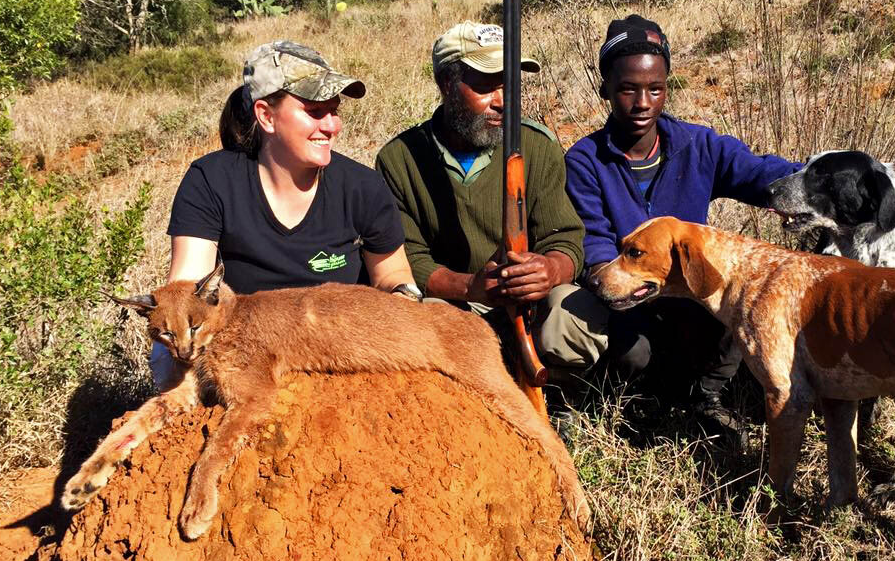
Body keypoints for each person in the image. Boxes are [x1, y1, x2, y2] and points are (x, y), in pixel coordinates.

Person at [558, 15, 802, 439]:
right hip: (629, 295)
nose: (642, 103)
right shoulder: (585, 161)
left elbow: (761, 175)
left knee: (739, 304)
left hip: (688, 290)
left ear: (667, 88)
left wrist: (822, 183)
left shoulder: (698, 144)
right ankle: (638, 402)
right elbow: (595, 247)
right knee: (634, 353)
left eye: (655, 89)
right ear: (606, 91)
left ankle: (706, 395)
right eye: (627, 89)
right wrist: (627, 286)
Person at [155, 40, 419, 386]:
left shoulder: (363, 187)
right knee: (163, 359)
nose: (331, 126)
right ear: (266, 115)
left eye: (334, 110)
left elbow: (391, 273)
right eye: (314, 112)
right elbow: (187, 288)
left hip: (337, 350)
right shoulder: (211, 180)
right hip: (244, 351)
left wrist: (403, 298)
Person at [374, 21, 586, 354]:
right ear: (447, 84)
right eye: (486, 87)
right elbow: (407, 257)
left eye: (510, 85)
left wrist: (548, 270)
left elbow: (564, 237)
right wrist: (471, 287)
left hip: (528, 302)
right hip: (453, 304)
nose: (503, 101)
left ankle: (558, 394)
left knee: (573, 312)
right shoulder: (399, 159)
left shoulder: (537, 146)